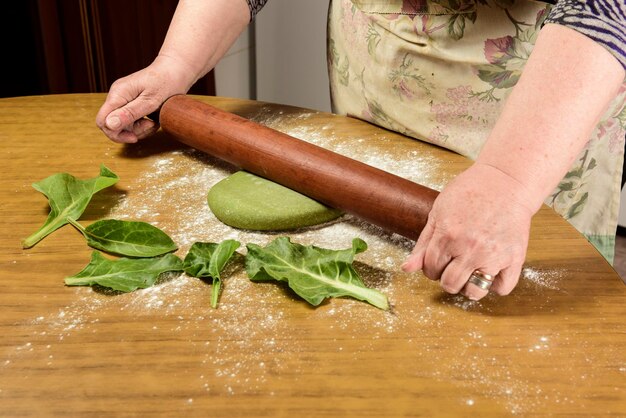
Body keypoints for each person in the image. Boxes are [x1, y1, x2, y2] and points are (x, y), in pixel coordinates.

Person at [96, 0, 626, 301]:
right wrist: (176, 64)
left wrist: (509, 180)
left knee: (524, 304)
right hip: (379, 54)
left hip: (545, 90)